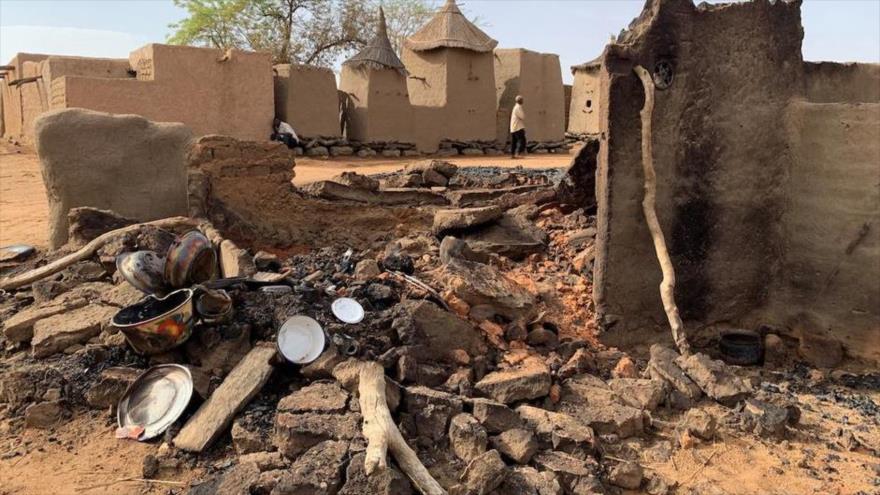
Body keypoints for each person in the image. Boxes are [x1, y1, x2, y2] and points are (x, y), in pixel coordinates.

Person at [510, 95, 527, 159]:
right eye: (521, 100)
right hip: (518, 127)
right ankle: (519, 153)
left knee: (514, 141)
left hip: (514, 127)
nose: (522, 101)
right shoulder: (518, 107)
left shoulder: (515, 107)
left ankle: (513, 154)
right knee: (522, 140)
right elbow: (522, 116)